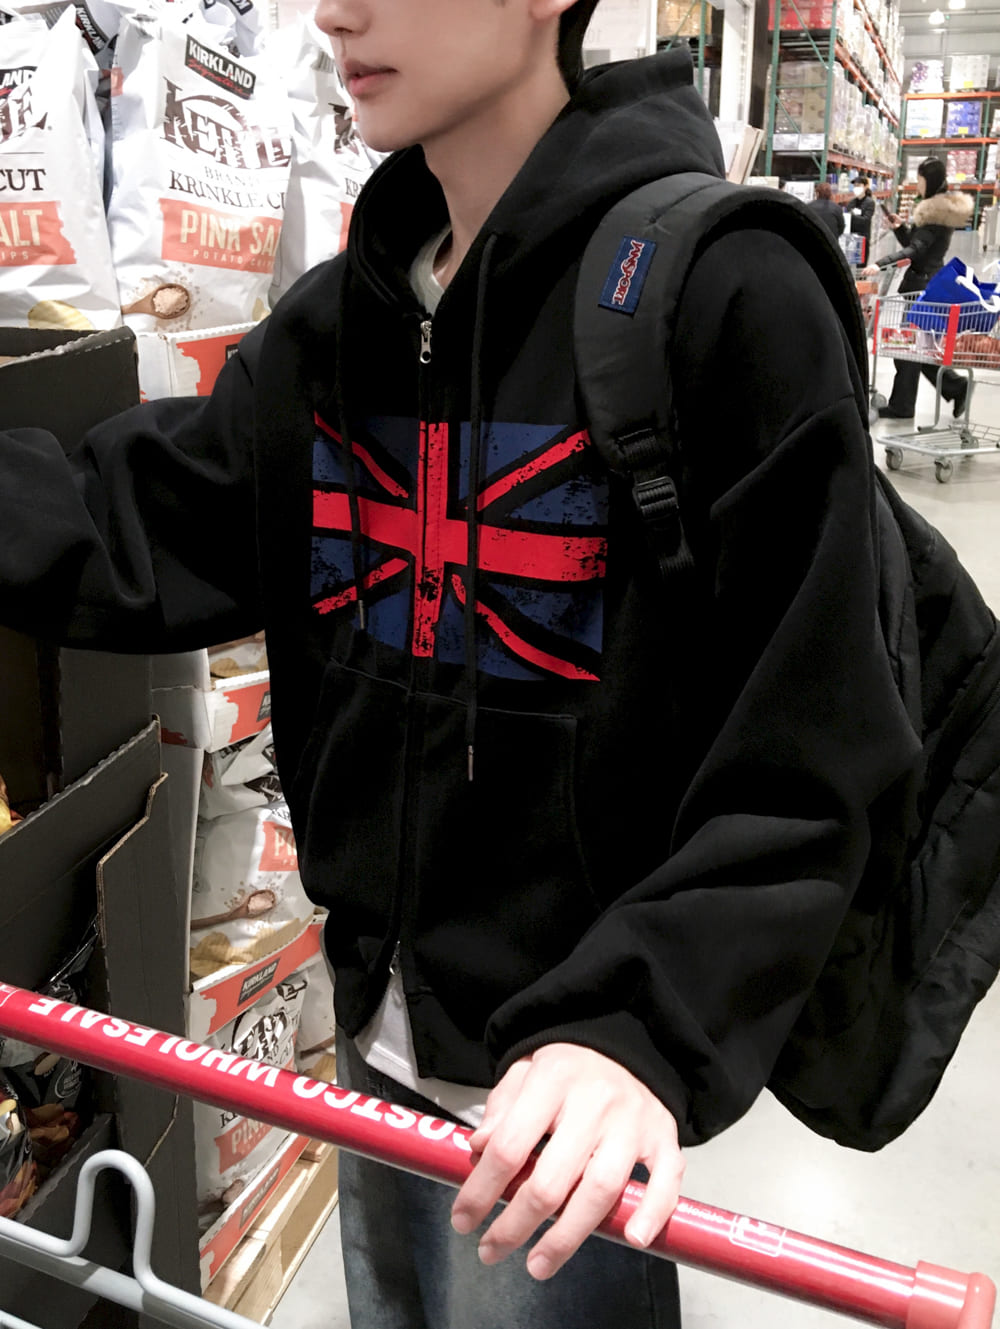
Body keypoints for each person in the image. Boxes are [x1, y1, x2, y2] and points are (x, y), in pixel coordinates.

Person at [0, 1, 920, 1326]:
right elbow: (140, 521)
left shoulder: (725, 293)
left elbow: (813, 744)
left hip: (561, 1098)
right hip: (374, 1040)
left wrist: (643, 1027)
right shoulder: (342, 324)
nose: (335, 12)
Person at [863, 156, 972, 419]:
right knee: (915, 349)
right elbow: (916, 243)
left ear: (929, 180)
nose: (917, 183)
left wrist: (880, 263)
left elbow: (915, 250)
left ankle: (904, 405)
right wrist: (900, 228)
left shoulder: (935, 215)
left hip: (923, 289)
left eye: (920, 179)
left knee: (908, 349)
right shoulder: (936, 211)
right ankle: (955, 387)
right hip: (927, 283)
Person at [845, 175, 875, 260]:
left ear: (865, 187)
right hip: (851, 237)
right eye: (855, 186)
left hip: (863, 238)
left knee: (861, 264)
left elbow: (866, 220)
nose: (856, 188)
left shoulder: (870, 202)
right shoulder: (852, 202)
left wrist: (853, 216)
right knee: (850, 262)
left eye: (858, 186)